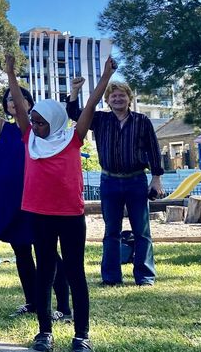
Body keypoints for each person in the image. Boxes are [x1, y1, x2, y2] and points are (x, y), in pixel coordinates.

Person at [7, 53, 117, 352]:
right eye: (34, 120)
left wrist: (105, 77)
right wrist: (11, 74)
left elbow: (91, 106)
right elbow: (18, 103)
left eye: (42, 122)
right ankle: (44, 332)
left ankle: (81, 336)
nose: (36, 125)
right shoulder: (29, 137)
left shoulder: (72, 138)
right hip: (38, 215)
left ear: (55, 120)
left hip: (70, 216)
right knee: (45, 272)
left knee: (74, 272)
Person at [0, 72, 72, 321]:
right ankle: (32, 302)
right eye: (10, 100)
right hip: (9, 199)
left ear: (30, 103)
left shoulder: (38, 131)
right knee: (22, 253)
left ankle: (64, 307)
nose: (14, 102)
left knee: (48, 252)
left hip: (36, 199)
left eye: (20, 98)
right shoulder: (4, 128)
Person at [66, 77, 164, 286]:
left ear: (129, 98)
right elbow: (75, 113)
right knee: (111, 231)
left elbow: (154, 150)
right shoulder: (100, 119)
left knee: (142, 231)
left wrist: (156, 178)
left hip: (136, 180)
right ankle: (111, 277)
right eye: (113, 96)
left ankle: (145, 276)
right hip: (109, 181)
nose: (118, 99)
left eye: (122, 95)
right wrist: (74, 92)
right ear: (108, 101)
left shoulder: (142, 121)